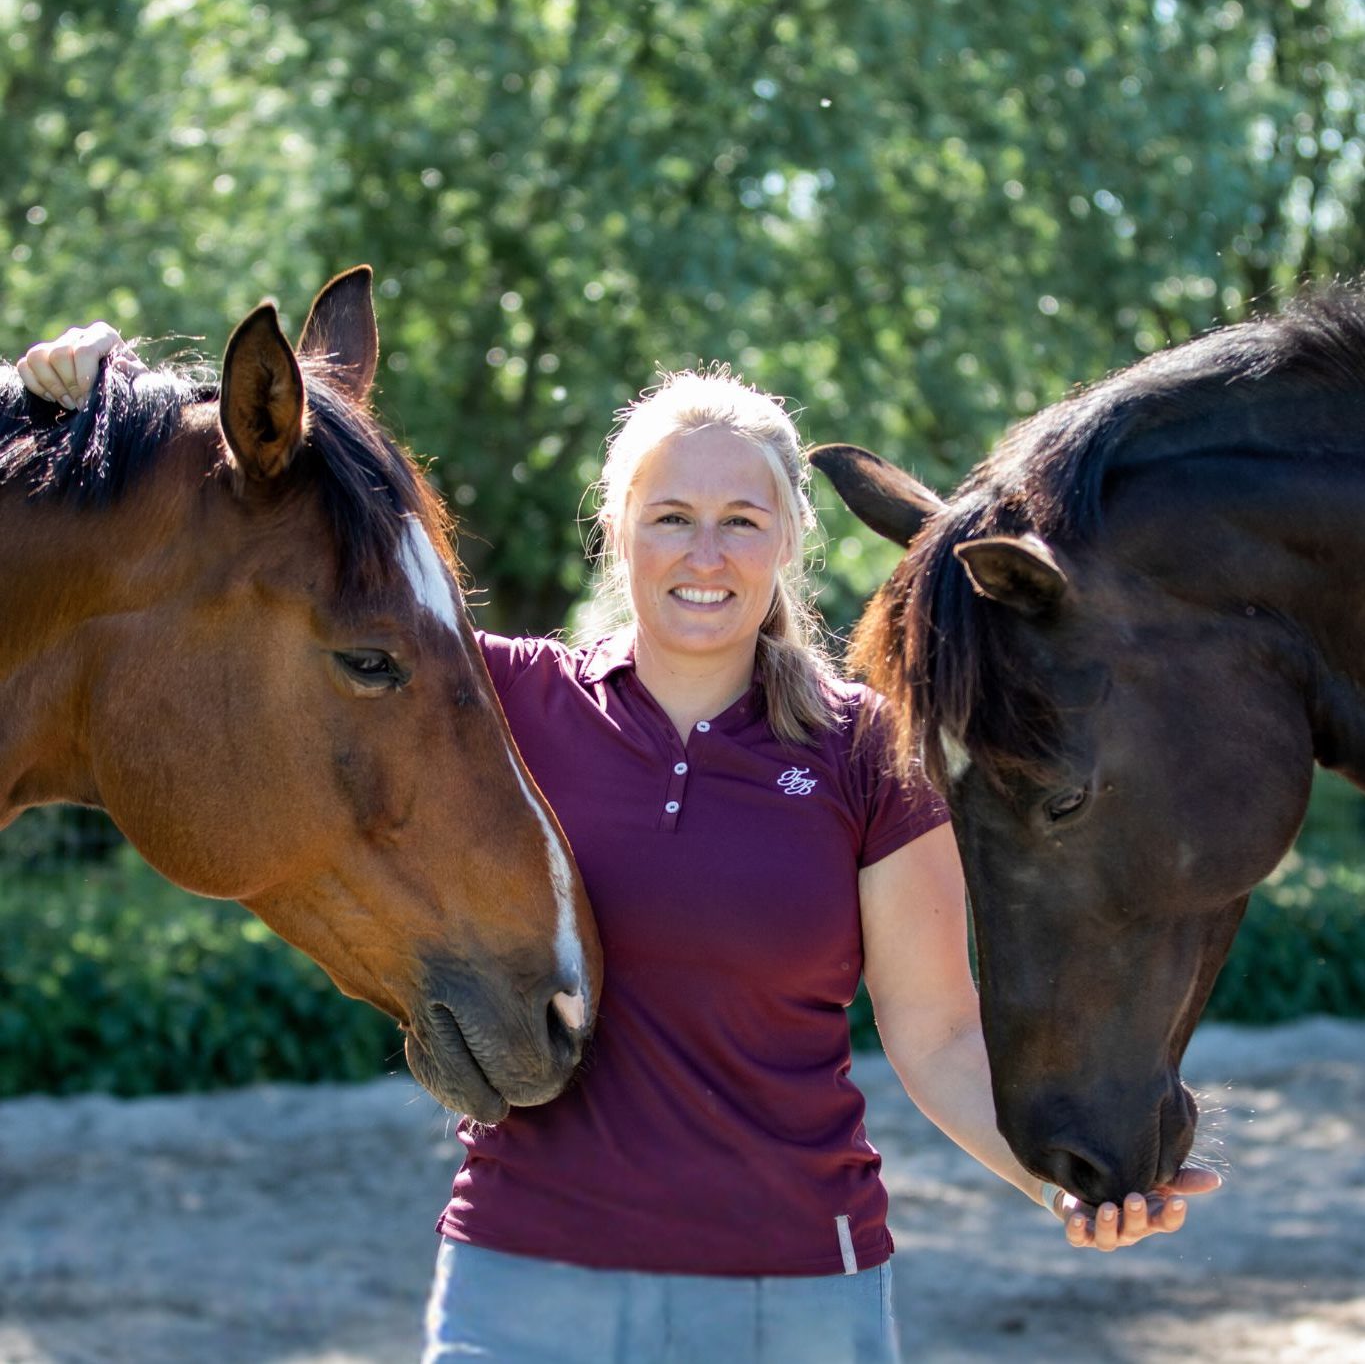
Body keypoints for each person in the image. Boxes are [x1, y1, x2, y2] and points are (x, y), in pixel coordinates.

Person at [20, 331, 1219, 1363]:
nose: (706, 554)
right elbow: (257, 606)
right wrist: (75, 401)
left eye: (742, 521)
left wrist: (1066, 1174)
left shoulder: (867, 751)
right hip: (520, 1288)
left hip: (795, 1298)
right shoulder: (500, 704)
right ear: (617, 531)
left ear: (788, 542)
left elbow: (940, 1035)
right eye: (672, 519)